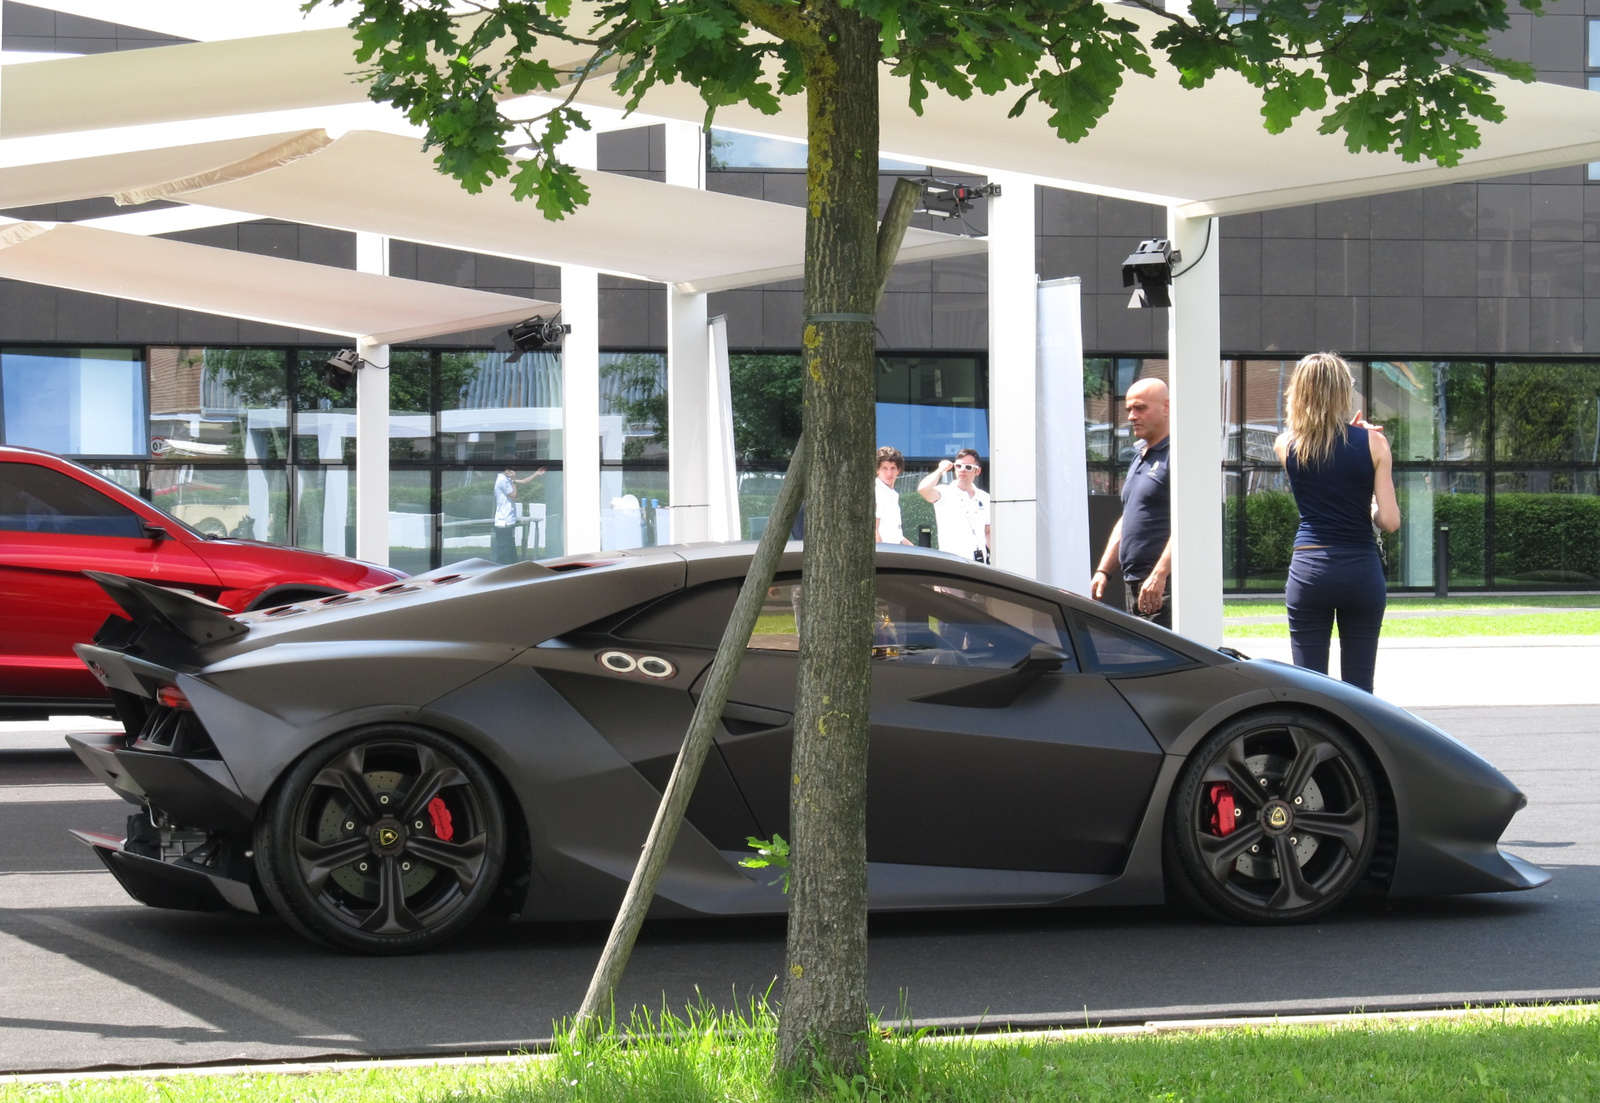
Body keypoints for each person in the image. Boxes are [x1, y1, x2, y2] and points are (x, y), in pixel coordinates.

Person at [1274, 352, 1401, 693]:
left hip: (1310, 568)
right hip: (1361, 571)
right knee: (1360, 691)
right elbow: (1389, 521)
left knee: (1309, 687)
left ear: (1298, 391)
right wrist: (1371, 504)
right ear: (1344, 391)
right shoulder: (1374, 443)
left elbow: (1324, 472)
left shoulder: (1286, 445)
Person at [1091, 378, 1173, 628]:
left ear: (1167, 407)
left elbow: (1189, 522)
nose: (1131, 416)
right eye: (1129, 410)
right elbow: (1128, 518)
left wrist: (1160, 574)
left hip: (1163, 586)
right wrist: (1103, 571)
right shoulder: (1140, 456)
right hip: (1135, 583)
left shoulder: (1177, 454)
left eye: (1140, 408)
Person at [916, 448, 991, 563]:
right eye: (958, 466)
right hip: (952, 564)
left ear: (978, 471)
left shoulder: (985, 498)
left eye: (968, 467)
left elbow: (988, 532)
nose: (962, 470)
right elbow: (923, 489)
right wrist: (941, 469)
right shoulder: (945, 492)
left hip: (979, 564)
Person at [492, 465, 544, 563]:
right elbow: (513, 495)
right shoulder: (503, 480)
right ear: (507, 470)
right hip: (504, 521)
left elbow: (524, 481)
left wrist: (536, 474)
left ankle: (512, 566)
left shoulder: (506, 479)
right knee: (504, 551)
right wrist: (513, 479)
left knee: (510, 550)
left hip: (508, 520)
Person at [874, 446, 913, 545]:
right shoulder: (877, 492)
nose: (889, 473)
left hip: (893, 552)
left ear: (898, 470)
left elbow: (897, 536)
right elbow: (874, 531)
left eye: (893, 468)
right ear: (877, 470)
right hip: (884, 555)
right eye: (884, 468)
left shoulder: (893, 494)